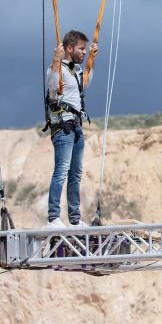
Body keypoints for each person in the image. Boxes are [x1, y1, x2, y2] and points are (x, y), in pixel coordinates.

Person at [45, 30, 98, 228]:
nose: (83, 52)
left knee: (75, 173)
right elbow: (52, 86)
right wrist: (56, 59)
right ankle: (53, 217)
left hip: (76, 127)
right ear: (69, 48)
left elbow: (85, 84)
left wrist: (92, 58)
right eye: (81, 49)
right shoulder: (56, 68)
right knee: (62, 171)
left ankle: (74, 219)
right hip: (63, 127)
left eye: (85, 49)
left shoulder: (75, 71)